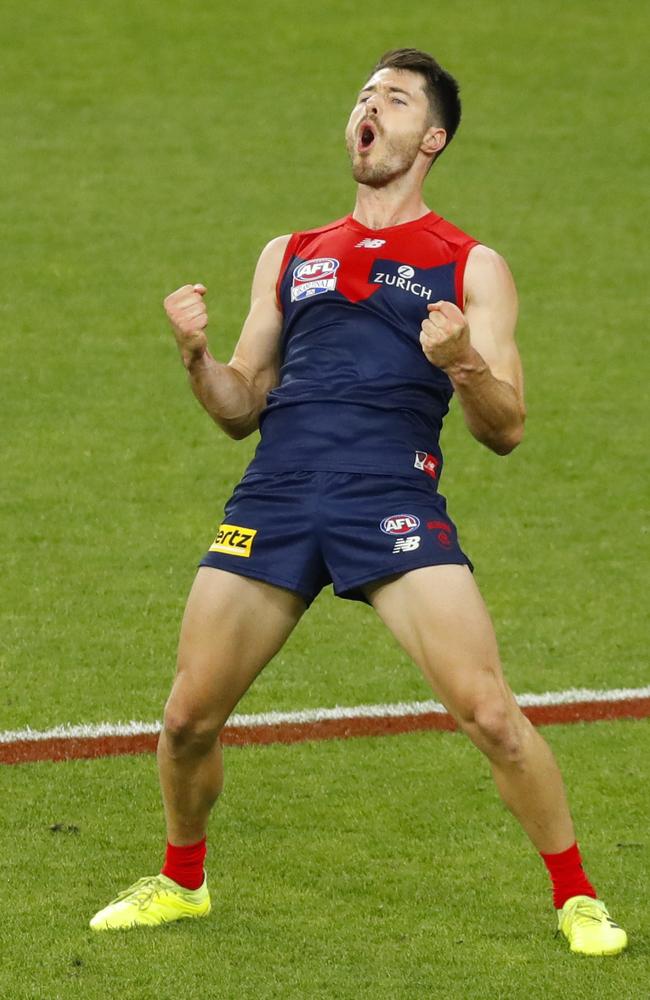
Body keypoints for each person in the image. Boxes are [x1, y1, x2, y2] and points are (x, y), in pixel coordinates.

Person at [90, 48, 627, 955]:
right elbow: (239, 407)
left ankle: (575, 895)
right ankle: (183, 882)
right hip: (276, 489)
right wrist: (195, 358)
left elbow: (508, 427)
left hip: (390, 494)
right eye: (364, 95)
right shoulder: (291, 254)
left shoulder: (471, 263)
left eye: (395, 98)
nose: (369, 107)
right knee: (186, 718)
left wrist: (460, 360)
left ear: (433, 137)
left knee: (490, 712)